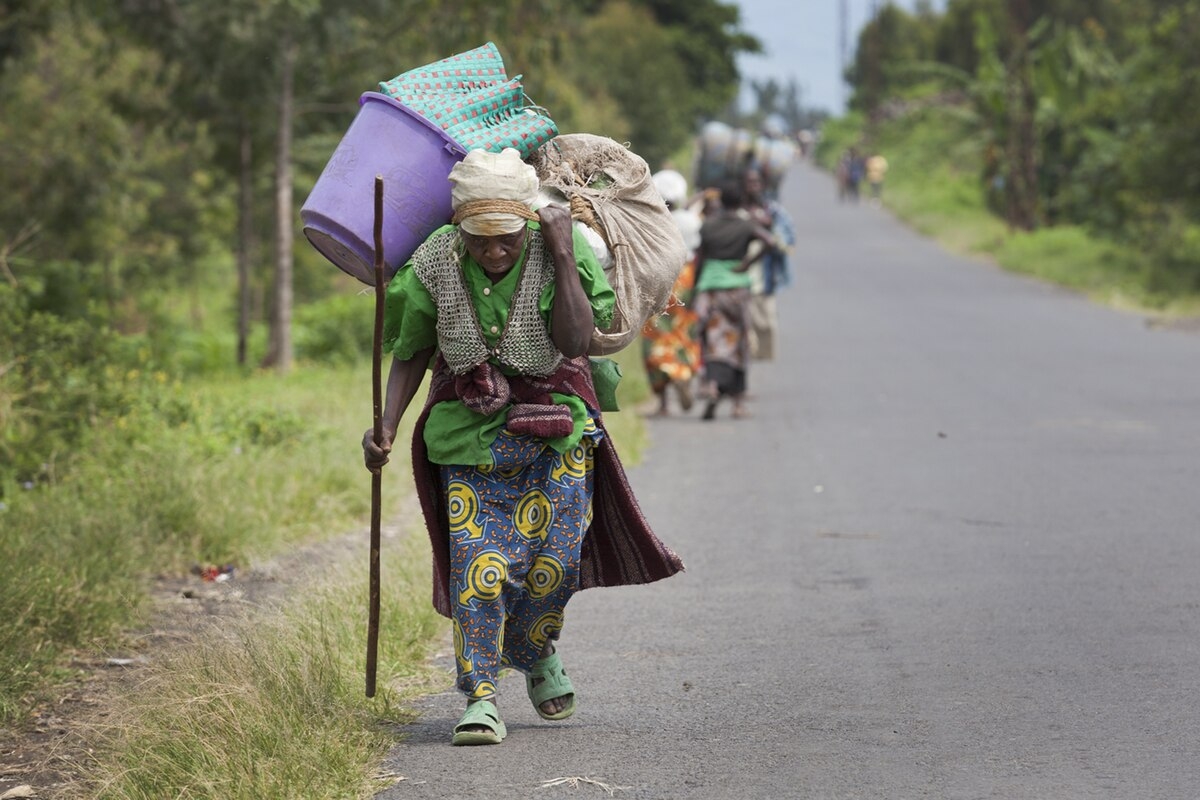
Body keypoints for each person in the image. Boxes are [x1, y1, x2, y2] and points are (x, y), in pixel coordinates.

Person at [362, 148, 683, 746]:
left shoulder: (559, 249)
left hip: (556, 433)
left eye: (506, 238)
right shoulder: (435, 261)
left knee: (551, 566)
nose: (493, 252)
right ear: (459, 228)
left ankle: (534, 653)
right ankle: (480, 696)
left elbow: (577, 338)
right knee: (479, 569)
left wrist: (562, 252)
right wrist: (385, 425)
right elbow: (412, 350)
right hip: (469, 438)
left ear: (527, 222)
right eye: (479, 240)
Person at [693, 181, 778, 420]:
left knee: (711, 340)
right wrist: (748, 264)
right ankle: (738, 404)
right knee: (738, 343)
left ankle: (711, 385)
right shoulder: (746, 225)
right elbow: (770, 242)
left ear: (720, 202)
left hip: (710, 289)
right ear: (740, 202)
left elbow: (701, 258)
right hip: (737, 289)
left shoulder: (708, 226)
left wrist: (694, 291)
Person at [642, 169, 703, 416]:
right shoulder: (691, 221)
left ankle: (664, 401)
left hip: (660, 278)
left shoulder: (651, 222)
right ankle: (683, 372)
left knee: (655, 333)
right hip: (686, 278)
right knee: (684, 331)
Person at [740, 167, 796, 362]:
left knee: (768, 322)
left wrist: (768, 227)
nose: (752, 187)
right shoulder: (736, 211)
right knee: (746, 324)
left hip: (765, 274)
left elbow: (787, 243)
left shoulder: (773, 212)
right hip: (739, 275)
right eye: (748, 182)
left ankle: (762, 358)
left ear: (762, 185)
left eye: (756, 182)